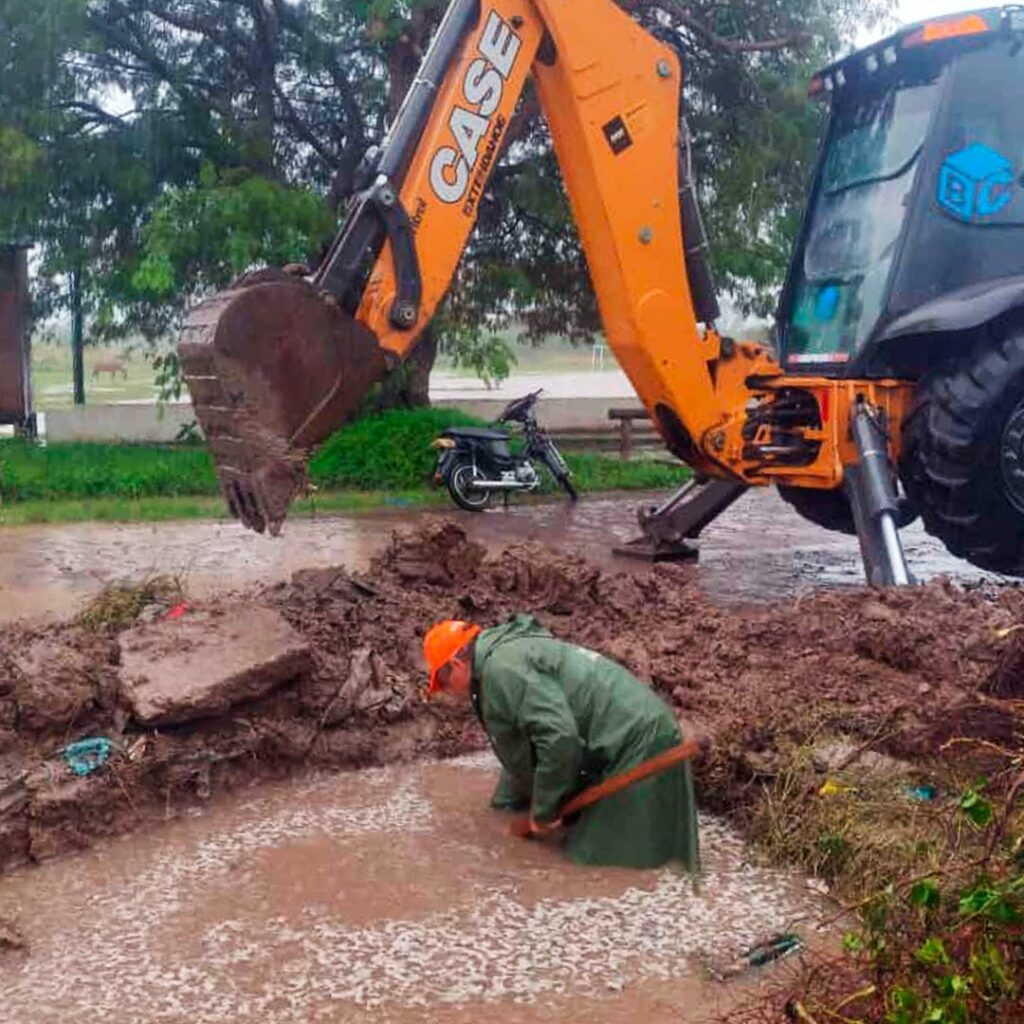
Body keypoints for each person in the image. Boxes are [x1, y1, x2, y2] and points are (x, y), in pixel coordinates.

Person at [424, 614, 699, 870]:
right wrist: (508, 806)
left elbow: (559, 737)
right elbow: (521, 737)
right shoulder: (499, 656)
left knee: (589, 864)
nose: (448, 693)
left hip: (638, 741)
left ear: (457, 665)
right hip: (617, 734)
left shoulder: (501, 671)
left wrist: (543, 810)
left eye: (443, 683)